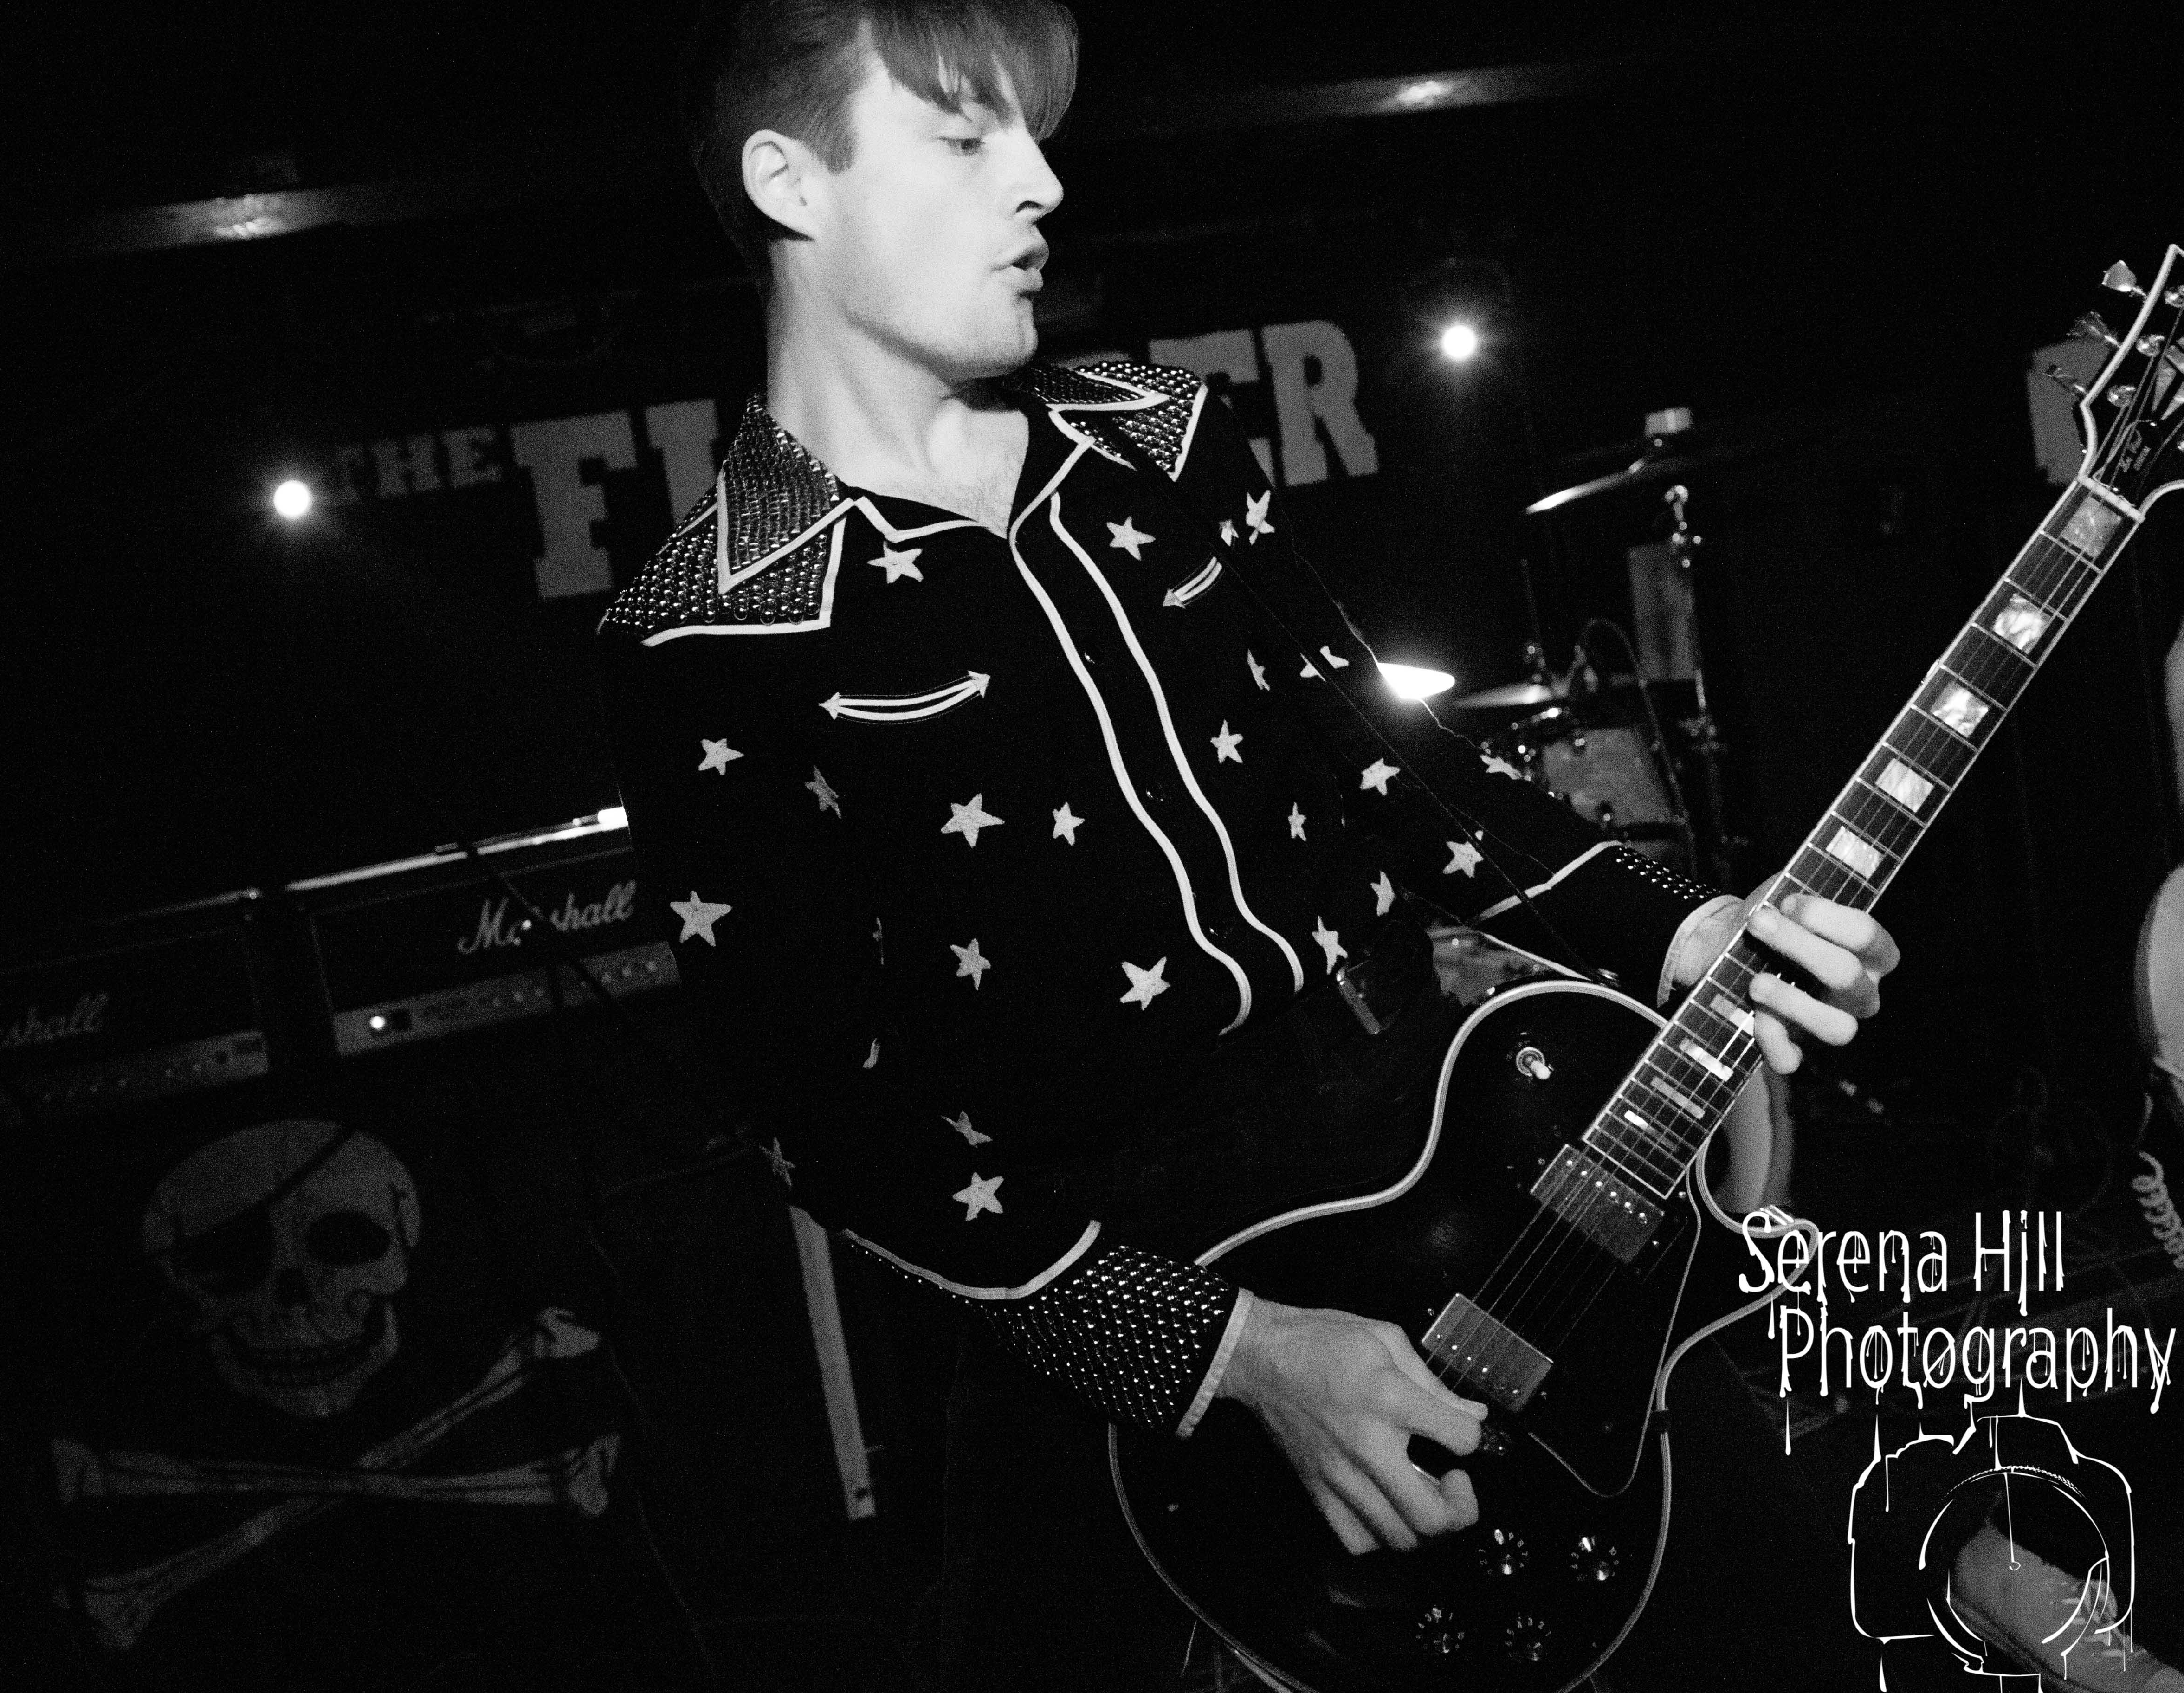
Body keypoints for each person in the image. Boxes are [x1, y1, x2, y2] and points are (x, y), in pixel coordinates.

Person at [596, 2, 1900, 1685]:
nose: (1042, 183)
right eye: (967, 138)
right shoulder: (706, 630)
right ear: (792, 183)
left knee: (1785, 1611)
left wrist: (1683, 928)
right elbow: (834, 1132)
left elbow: (1397, 771)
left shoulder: (1158, 433)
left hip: (1441, 1182)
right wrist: (1239, 1354)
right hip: (1097, 1311)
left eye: (1039, 137)